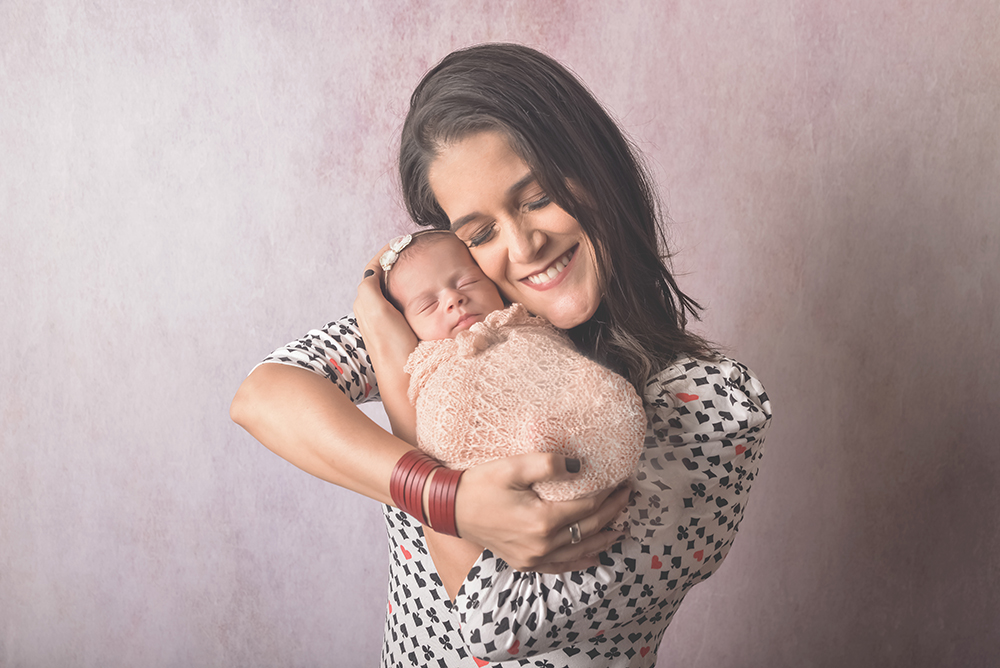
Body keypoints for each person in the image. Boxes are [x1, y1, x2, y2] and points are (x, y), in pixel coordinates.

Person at [231, 43, 772, 667]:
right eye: (481, 233)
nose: (523, 246)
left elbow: (496, 624)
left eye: (538, 198)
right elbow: (262, 396)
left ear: (598, 169)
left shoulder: (714, 408)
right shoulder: (459, 316)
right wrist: (443, 494)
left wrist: (405, 386)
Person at [377, 228, 646, 504]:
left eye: (467, 282)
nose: (453, 299)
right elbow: (440, 431)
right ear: (405, 324)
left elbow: (564, 370)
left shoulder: (527, 323)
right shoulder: (426, 366)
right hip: (480, 493)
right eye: (428, 305)